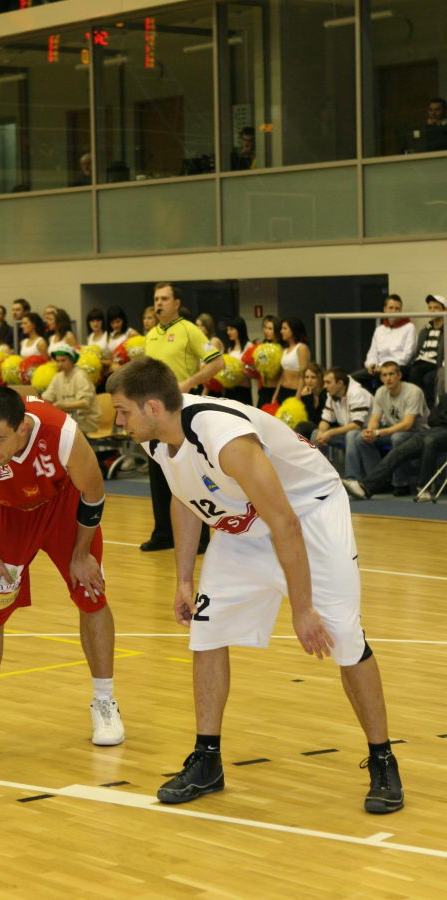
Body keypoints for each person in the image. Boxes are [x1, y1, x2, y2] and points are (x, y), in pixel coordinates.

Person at [108, 357, 404, 814]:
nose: (117, 421)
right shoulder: (156, 436)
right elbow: (186, 499)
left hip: (309, 513)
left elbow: (284, 522)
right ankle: (207, 760)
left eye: (122, 411)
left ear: (152, 407)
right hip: (245, 521)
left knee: (344, 636)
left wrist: (302, 608)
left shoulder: (223, 437)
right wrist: (183, 579)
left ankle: (383, 759)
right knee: (207, 631)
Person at [0, 386, 124, 769]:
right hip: (9, 514)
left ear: (22, 427)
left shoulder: (62, 433)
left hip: (63, 507)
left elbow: (94, 491)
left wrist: (81, 553)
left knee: (91, 594)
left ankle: (105, 702)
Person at [141, 282, 224, 552]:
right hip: (153, 412)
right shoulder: (150, 335)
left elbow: (218, 362)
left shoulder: (189, 329)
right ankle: (163, 534)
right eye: (156, 299)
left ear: (176, 303)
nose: (159, 303)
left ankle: (200, 538)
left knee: (188, 470)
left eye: (164, 299)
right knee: (158, 469)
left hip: (181, 408)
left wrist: (188, 382)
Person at [343, 360, 428, 497]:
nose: (388, 378)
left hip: (417, 433)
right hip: (393, 430)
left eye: (391, 374)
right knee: (361, 438)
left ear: (399, 375)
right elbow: (375, 419)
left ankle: (401, 484)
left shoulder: (413, 391)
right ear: (381, 378)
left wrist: (378, 432)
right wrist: (370, 431)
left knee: (398, 437)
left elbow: (407, 424)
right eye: (384, 375)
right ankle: (379, 482)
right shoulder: (381, 392)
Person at [343, 393, 447, 502]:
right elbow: (432, 419)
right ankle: (366, 487)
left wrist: (442, 419)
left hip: (438, 434)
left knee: (430, 441)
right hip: (435, 430)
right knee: (400, 450)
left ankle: (425, 488)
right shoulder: (445, 397)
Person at [312, 367, 373, 476]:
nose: (325, 386)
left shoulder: (357, 393)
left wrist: (330, 432)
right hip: (348, 429)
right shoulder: (331, 394)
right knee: (316, 433)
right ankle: (316, 475)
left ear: (340, 383)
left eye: (328, 382)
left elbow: (357, 425)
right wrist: (322, 431)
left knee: (351, 435)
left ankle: (352, 479)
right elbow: (326, 420)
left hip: (367, 429)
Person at [351, 295, 416, 387]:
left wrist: (384, 368)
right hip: (378, 368)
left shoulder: (409, 327)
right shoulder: (379, 329)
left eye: (397, 309)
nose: (394, 311)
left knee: (381, 376)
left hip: (397, 367)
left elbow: (407, 356)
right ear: (385, 309)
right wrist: (371, 364)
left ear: (401, 311)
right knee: (351, 379)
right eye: (391, 308)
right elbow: (372, 352)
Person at [42, 345, 100, 435]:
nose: (60, 364)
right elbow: (46, 398)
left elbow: (85, 403)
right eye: (57, 361)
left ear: (72, 360)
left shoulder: (80, 376)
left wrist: (62, 405)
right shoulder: (58, 377)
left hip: (86, 421)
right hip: (69, 421)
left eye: (63, 360)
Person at [408, 295, 445, 408]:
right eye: (430, 308)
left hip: (435, 364)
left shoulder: (445, 329)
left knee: (425, 377)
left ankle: (429, 407)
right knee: (398, 371)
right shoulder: (425, 330)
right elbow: (419, 350)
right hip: (421, 362)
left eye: (436, 308)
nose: (432, 310)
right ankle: (415, 406)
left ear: (445, 310)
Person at [272, 317, 310, 405]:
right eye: (281, 328)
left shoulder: (301, 348)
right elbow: (282, 375)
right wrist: (275, 395)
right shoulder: (285, 350)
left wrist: (298, 396)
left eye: (285, 328)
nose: (281, 331)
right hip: (282, 391)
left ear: (293, 330)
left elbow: (303, 375)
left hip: (295, 391)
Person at [224, 316, 253, 405]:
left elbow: (253, 371)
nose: (228, 332)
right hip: (229, 390)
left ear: (239, 329)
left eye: (231, 329)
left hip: (243, 389)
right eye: (227, 329)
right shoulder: (230, 349)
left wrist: (241, 370)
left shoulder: (249, 346)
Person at [294, 362, 327, 439]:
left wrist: (307, 398)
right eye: (307, 377)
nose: (309, 381)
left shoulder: (325, 394)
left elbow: (315, 420)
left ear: (320, 378)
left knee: (303, 426)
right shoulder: (307, 393)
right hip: (311, 427)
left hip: (324, 427)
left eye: (313, 377)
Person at [256, 315, 282, 408]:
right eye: (265, 328)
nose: (266, 331)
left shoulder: (281, 348)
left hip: (276, 390)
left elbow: (282, 375)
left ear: (277, 330)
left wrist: (276, 394)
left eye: (270, 328)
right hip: (263, 389)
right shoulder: (262, 346)